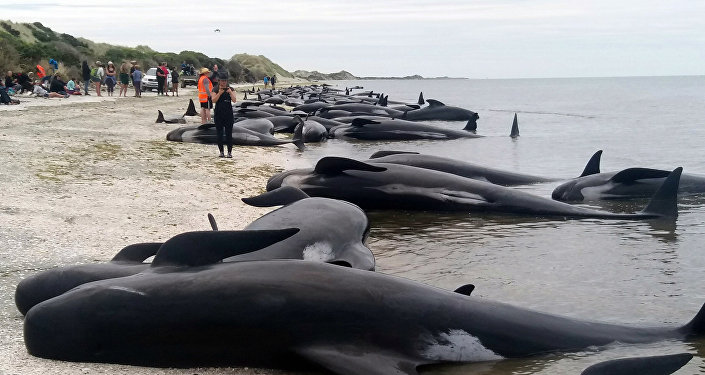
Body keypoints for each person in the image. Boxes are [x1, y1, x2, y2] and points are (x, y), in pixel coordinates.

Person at [211, 72, 236, 158]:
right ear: (219, 81)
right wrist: (219, 93)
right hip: (219, 114)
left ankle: (229, 152)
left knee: (229, 134)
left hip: (228, 114)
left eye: (225, 80)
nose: (224, 82)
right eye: (222, 81)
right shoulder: (215, 89)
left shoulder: (231, 89)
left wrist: (230, 93)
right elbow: (213, 100)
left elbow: (234, 100)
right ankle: (221, 152)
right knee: (219, 134)